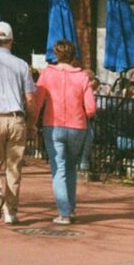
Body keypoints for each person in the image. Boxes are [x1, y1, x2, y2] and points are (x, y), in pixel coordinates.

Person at [31, 40, 96, 224]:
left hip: (53, 125)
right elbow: (91, 108)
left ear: (56, 54)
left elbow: (38, 101)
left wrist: (33, 123)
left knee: (58, 168)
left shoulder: (47, 74)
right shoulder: (82, 76)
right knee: (70, 168)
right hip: (77, 127)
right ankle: (70, 208)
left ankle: (64, 212)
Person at [0, 21, 36, 224]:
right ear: (11, 41)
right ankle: (10, 212)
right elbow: (30, 98)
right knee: (14, 168)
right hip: (16, 118)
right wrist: (33, 121)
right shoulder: (21, 64)